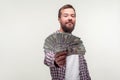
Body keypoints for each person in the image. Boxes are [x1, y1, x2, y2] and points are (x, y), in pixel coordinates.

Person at [43, 4, 91, 80]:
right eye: (66, 16)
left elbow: (84, 68)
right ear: (59, 19)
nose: (70, 18)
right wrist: (55, 61)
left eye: (73, 16)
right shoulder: (53, 40)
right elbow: (47, 58)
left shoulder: (77, 42)